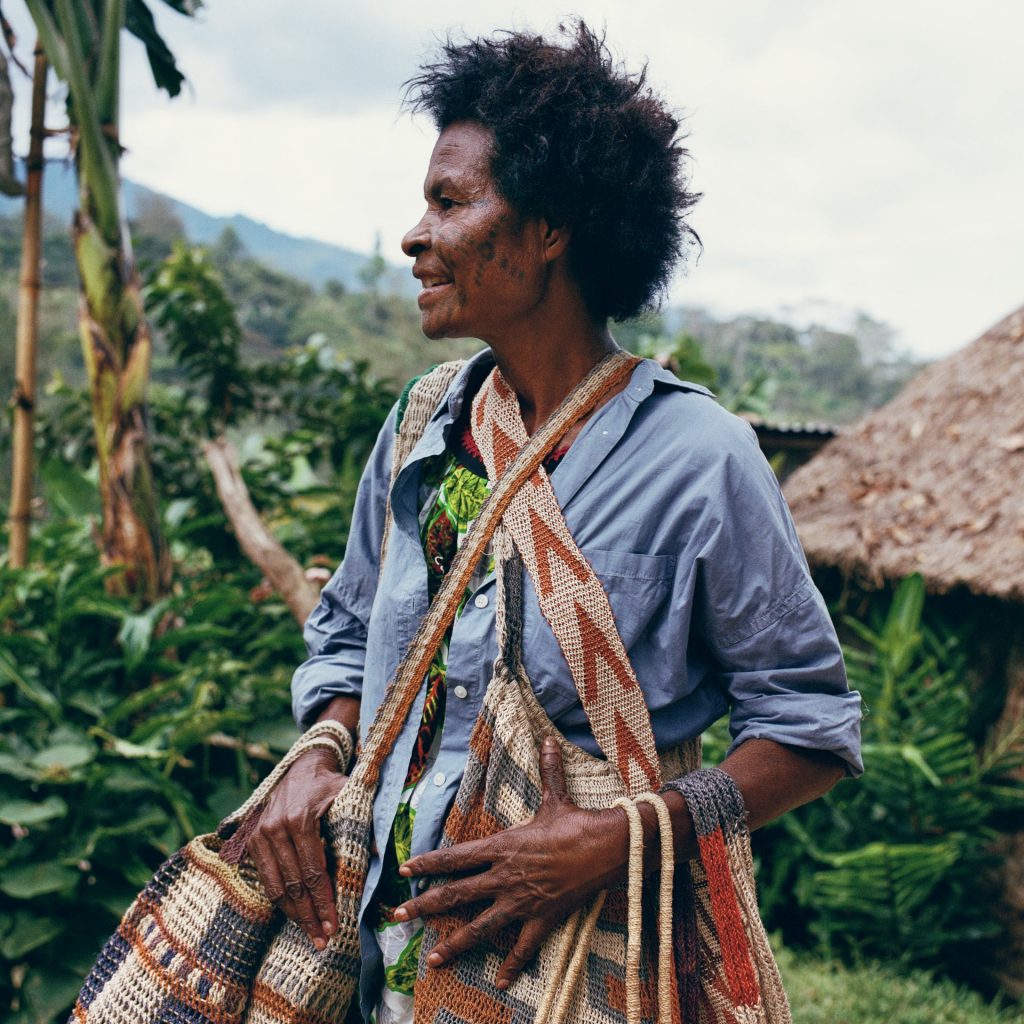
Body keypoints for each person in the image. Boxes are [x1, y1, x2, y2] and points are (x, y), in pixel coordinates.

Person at [246, 22, 862, 1024]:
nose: (415, 235)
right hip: (375, 957)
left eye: (450, 202)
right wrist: (319, 749)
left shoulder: (700, 460)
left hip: (579, 972)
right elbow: (349, 637)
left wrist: (618, 839)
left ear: (549, 229)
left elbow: (810, 727)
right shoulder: (420, 431)